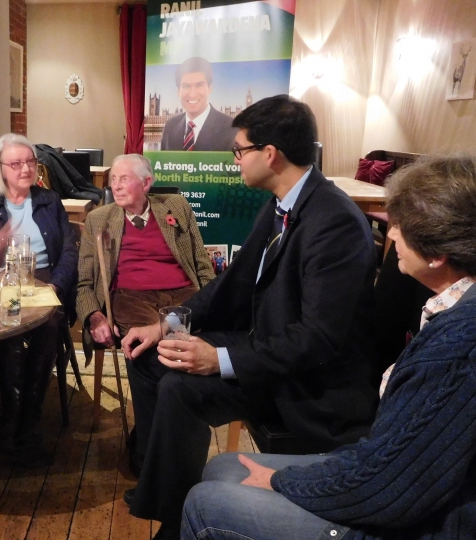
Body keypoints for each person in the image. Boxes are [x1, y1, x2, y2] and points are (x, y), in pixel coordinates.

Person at [120, 95, 379, 540]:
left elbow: (316, 340)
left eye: (239, 150)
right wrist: (169, 323)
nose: (235, 159)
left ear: (270, 154)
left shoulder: (333, 221)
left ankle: (174, 519)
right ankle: (168, 499)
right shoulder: (280, 201)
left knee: (182, 382)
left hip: (308, 386)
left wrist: (218, 359)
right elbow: (233, 284)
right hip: (269, 353)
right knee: (152, 355)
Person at [183, 154, 476, 540]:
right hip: (380, 473)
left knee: (204, 503)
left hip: (414, 522)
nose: (389, 235)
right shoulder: (452, 307)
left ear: (438, 254)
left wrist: (283, 481)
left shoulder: (459, 346)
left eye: (401, 227)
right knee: (222, 469)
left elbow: (393, 490)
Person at [0, 133, 77, 465]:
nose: (26, 168)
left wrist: (55, 286)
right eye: (16, 163)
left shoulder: (50, 201)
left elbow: (69, 252)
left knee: (45, 324)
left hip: (44, 280)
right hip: (2, 284)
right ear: (0, 169)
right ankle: (12, 417)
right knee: (12, 327)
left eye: (30, 162)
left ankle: (29, 423)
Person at [76, 153, 214, 353]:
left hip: (184, 294)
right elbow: (84, 282)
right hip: (131, 298)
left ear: (145, 183)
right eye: (113, 178)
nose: (116, 186)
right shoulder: (98, 219)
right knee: (152, 343)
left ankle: (173, 382)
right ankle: (166, 381)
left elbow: (202, 263)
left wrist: (211, 299)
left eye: (124, 179)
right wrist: (94, 315)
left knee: (189, 343)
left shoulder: (176, 206)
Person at [160, 57, 238, 152]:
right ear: (178, 91)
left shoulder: (230, 128)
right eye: (186, 86)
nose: (192, 94)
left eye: (199, 85)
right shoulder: (170, 126)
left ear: (210, 88)